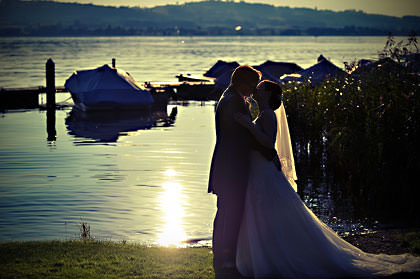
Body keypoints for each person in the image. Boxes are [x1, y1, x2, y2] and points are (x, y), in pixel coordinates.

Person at [234, 80, 420, 278]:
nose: (256, 89)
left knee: (268, 212)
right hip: (260, 170)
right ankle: (265, 254)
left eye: (260, 88)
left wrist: (248, 126)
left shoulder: (268, 115)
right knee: (264, 213)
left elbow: (268, 145)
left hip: (264, 172)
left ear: (268, 93)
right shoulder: (263, 114)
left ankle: (274, 256)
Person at [208, 66, 278, 278]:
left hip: (228, 165)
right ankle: (226, 261)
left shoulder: (229, 97)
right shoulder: (233, 101)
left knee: (226, 213)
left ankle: (223, 258)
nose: (253, 90)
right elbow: (240, 137)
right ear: (243, 82)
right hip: (232, 167)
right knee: (230, 214)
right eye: (252, 85)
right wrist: (268, 154)